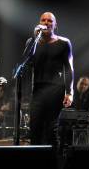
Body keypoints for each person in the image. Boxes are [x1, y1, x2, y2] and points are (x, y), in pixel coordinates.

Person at [26, 12, 74, 145]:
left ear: (55, 25)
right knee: (34, 128)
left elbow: (69, 69)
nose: (46, 23)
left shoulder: (64, 43)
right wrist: (34, 38)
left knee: (51, 130)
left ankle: (52, 163)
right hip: (38, 89)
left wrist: (69, 92)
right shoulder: (32, 42)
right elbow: (27, 62)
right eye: (43, 20)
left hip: (55, 89)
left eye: (49, 21)